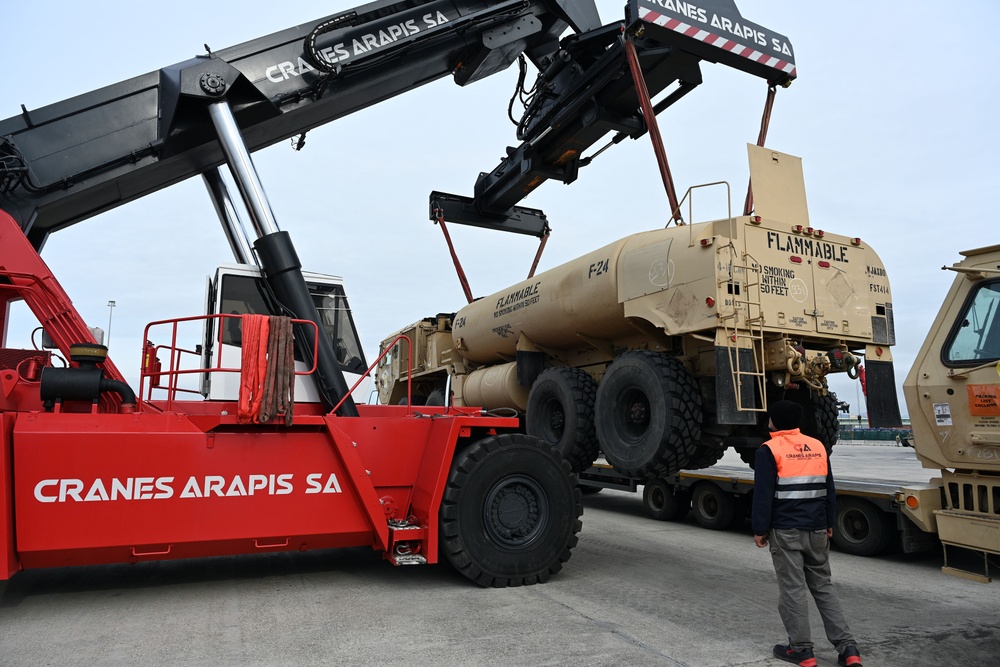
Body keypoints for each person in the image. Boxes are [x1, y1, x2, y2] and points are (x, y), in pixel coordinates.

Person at [752, 400, 863, 667]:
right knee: (823, 587)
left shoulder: (769, 449)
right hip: (816, 529)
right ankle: (848, 649)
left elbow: (764, 495)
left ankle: (801, 650)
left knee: (793, 590)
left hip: (786, 530)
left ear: (774, 422)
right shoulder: (817, 446)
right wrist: (828, 522)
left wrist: (759, 529)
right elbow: (829, 488)